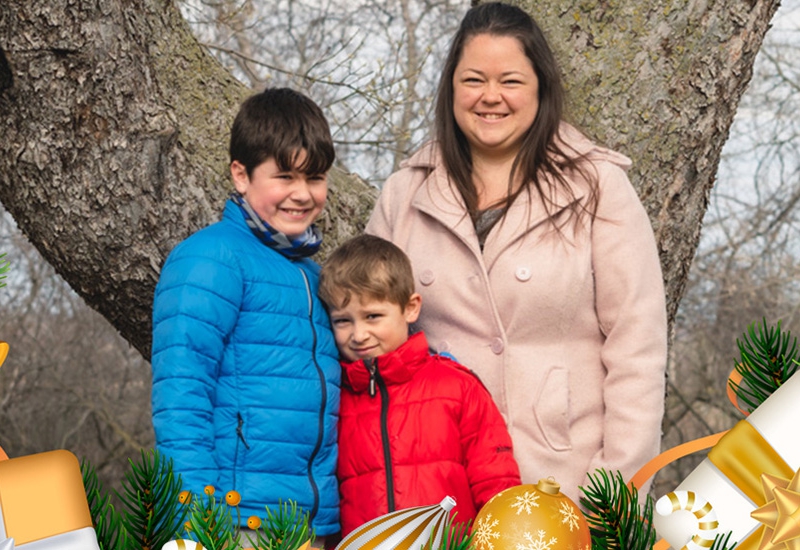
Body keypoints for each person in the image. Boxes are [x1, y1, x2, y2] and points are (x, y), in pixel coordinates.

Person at [366, 2, 668, 502]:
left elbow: (637, 350)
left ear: (540, 88)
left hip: (564, 484)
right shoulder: (404, 194)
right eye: (473, 80)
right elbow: (369, 342)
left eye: (510, 80)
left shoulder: (598, 187)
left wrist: (614, 496)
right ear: (451, 88)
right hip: (436, 490)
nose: (490, 97)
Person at [150, 88, 341, 541]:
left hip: (310, 523)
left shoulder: (315, 276)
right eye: (285, 176)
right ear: (241, 174)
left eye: (314, 178)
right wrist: (193, 523)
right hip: (236, 522)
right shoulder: (210, 259)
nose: (302, 194)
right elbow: (181, 395)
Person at [318, 234, 521, 536]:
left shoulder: (457, 387)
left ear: (410, 308)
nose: (358, 334)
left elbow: (496, 484)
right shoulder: (335, 400)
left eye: (372, 316)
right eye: (343, 321)